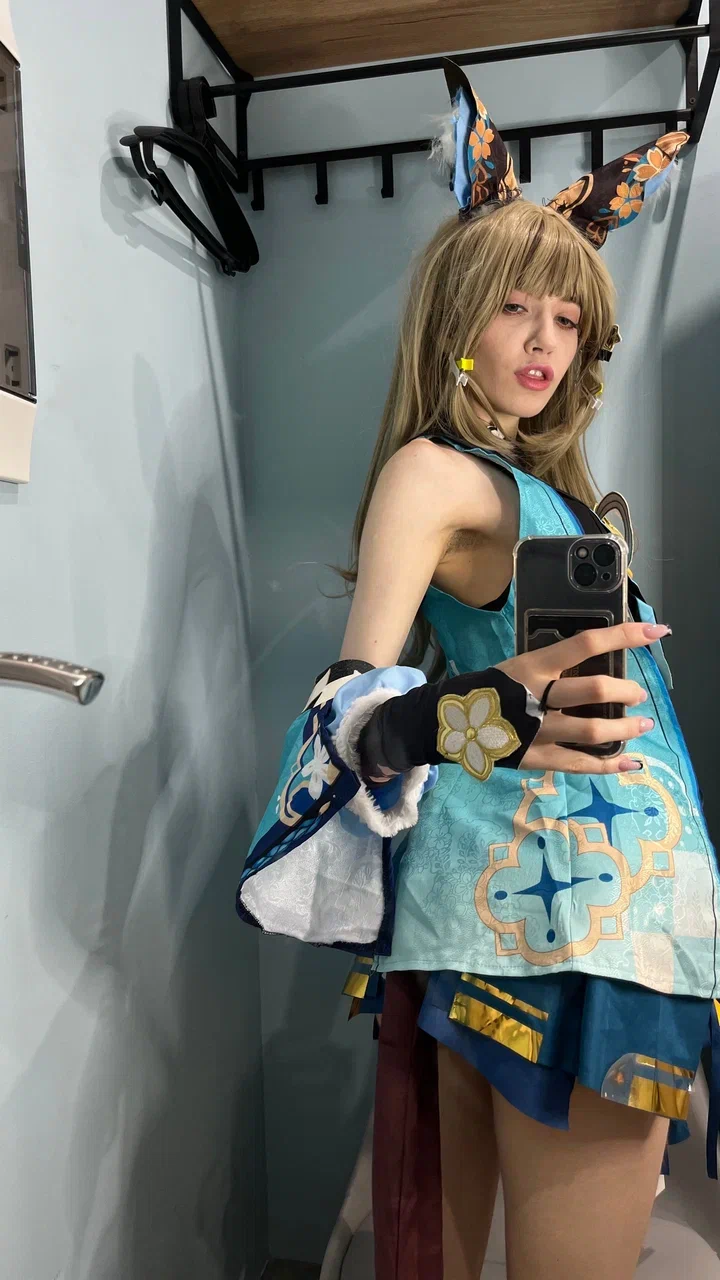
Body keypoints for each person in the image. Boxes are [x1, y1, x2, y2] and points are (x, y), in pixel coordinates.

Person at [237, 62, 720, 1280]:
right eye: (515, 308)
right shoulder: (438, 472)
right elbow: (354, 720)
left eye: (569, 318)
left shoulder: (550, 491)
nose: (546, 340)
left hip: (581, 914)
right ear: (458, 320)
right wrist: (498, 709)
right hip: (561, 928)